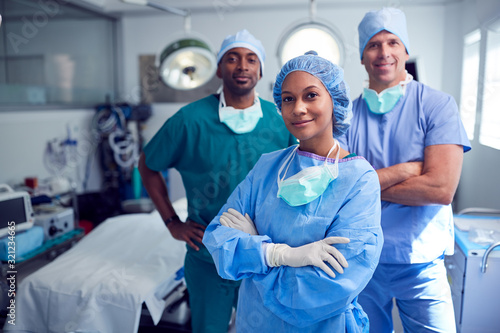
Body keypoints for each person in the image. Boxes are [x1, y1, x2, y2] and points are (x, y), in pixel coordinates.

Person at [203, 51, 383, 332]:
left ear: (334, 102)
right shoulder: (267, 168)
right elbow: (217, 239)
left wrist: (257, 256)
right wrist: (281, 254)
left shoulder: (359, 181)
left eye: (311, 95)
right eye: (288, 99)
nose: (298, 108)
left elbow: (331, 286)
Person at [138, 29, 296, 333]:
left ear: (261, 70)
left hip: (264, 255)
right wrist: (172, 221)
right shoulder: (189, 120)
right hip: (209, 257)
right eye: (232, 58)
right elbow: (148, 164)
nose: (242, 66)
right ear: (220, 68)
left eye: (251, 59)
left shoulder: (280, 120)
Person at [337, 7, 471, 333]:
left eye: (393, 42)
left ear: (405, 50)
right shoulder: (345, 118)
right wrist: (408, 170)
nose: (384, 52)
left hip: (421, 261)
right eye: (373, 44)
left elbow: (440, 189)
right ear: (361, 55)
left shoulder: (436, 105)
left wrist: (364, 183)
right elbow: (338, 187)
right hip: (362, 257)